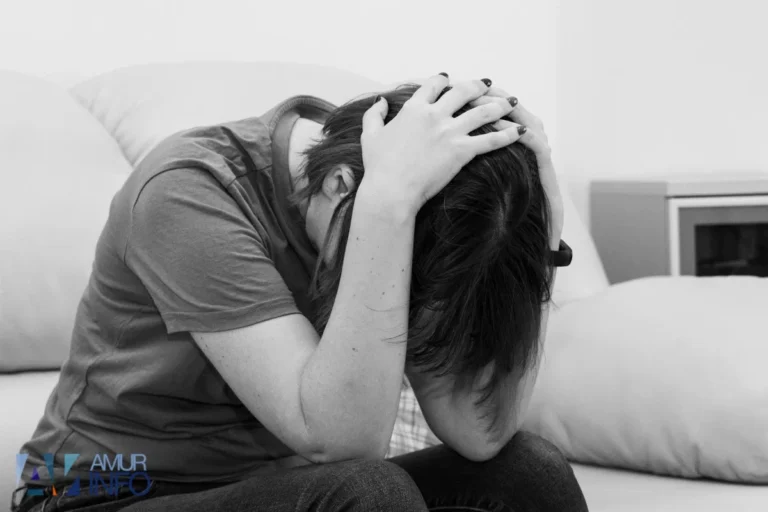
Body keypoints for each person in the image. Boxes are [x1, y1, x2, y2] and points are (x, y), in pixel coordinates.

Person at [12, 73, 588, 512]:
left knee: (530, 469)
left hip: (273, 491)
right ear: (341, 185)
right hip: (98, 495)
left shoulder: (415, 206)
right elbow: (340, 443)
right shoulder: (191, 190)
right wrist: (384, 211)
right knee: (370, 492)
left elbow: (479, 432)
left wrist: (544, 245)